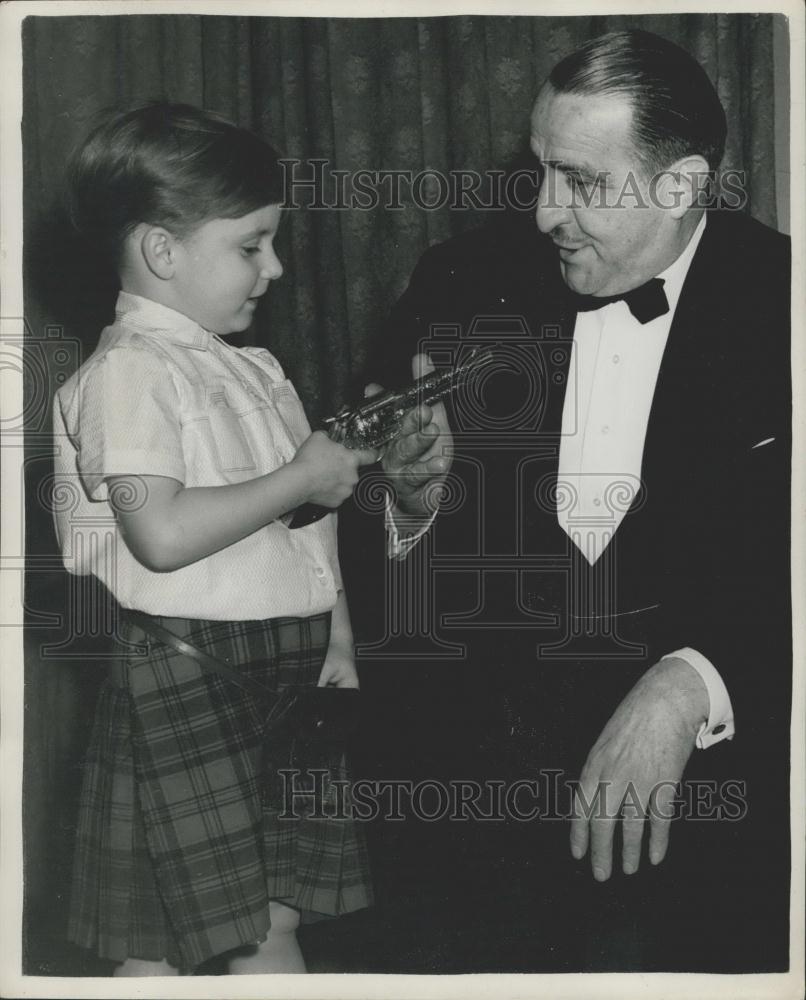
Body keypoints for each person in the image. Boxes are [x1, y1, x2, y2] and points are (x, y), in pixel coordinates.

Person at [358, 29, 791, 971]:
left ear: (680, 186)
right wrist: (408, 500)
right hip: (482, 837)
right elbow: (359, 528)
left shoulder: (785, 303)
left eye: (582, 183)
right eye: (541, 171)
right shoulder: (460, 282)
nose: (547, 210)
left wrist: (695, 682)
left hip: (721, 838)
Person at [51, 102, 443, 977]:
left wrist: (335, 629)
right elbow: (158, 533)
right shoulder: (128, 373)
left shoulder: (255, 368)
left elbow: (309, 518)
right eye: (251, 245)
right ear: (161, 251)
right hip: (188, 671)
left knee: (271, 922)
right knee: (158, 949)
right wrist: (300, 478)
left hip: (283, 668)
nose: (275, 267)